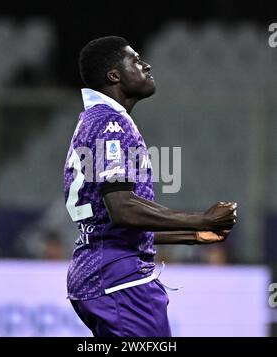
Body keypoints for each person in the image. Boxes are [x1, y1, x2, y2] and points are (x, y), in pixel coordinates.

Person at [64, 36, 237, 337]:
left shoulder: (96, 119)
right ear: (114, 75)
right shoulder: (109, 123)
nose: (146, 64)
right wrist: (201, 218)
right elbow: (122, 209)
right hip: (120, 280)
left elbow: (111, 222)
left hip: (102, 274)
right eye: (136, 59)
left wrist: (192, 235)